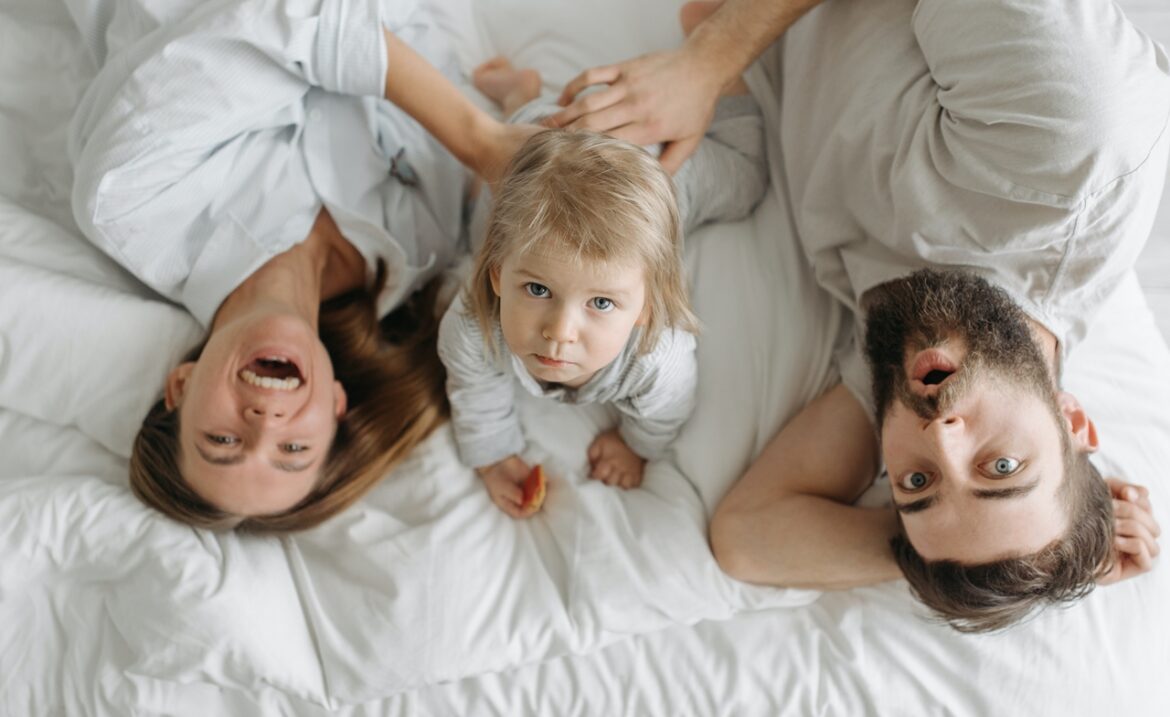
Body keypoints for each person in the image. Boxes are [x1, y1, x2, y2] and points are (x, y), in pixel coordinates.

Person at [551, 0, 1168, 630]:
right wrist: (708, 60)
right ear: (1072, 419)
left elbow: (747, 536)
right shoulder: (1072, 144)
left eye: (918, 485)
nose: (940, 434)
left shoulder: (909, 361)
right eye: (1001, 466)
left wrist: (968, 562)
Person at [68, 0, 538, 531]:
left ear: (181, 387)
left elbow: (287, 20)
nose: (265, 424)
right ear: (335, 404)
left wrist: (481, 140)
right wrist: (522, 105)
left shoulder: (130, 204)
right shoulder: (419, 249)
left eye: (221, 441)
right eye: (293, 447)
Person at [436, 45, 767, 516]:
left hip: (654, 169)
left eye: (602, 303)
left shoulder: (658, 358)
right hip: (536, 144)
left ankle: (709, 67)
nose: (560, 331)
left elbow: (664, 410)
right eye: (537, 290)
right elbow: (474, 390)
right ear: (496, 276)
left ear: (647, 305)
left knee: (749, 177)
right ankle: (518, 98)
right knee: (486, 197)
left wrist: (636, 446)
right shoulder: (474, 325)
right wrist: (492, 455)